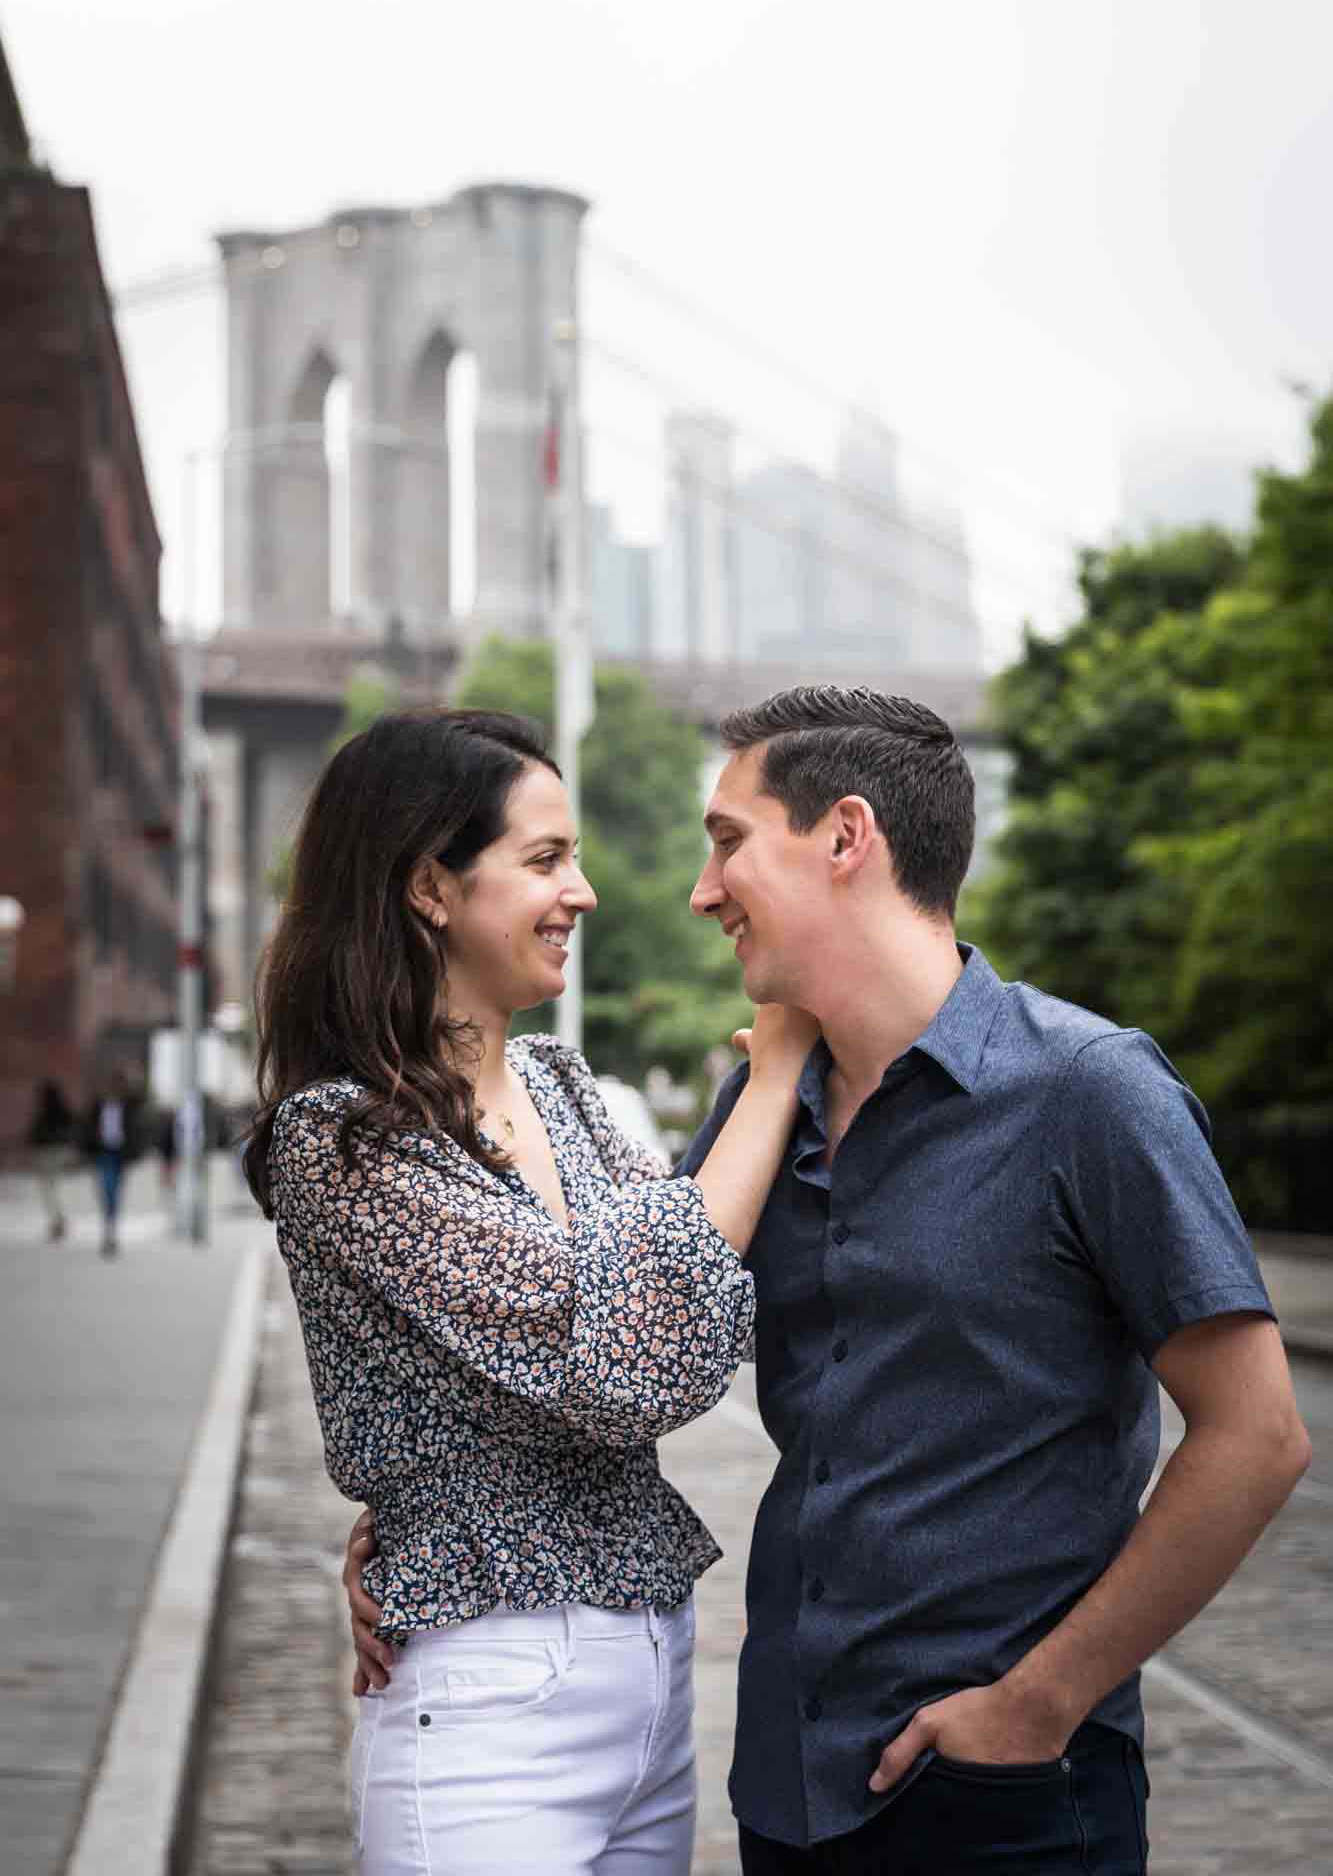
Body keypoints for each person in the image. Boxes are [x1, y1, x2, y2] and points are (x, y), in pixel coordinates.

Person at [341, 685, 1311, 1876]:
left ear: (847, 837)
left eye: (728, 842)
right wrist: (420, 1517)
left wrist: (1039, 1700)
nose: (701, 891)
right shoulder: (760, 1120)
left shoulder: (1090, 1092)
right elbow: (616, 1333)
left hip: (1006, 1789)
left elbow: (1257, 1434)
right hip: (789, 1789)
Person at [243, 707, 816, 1876]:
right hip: (491, 1700)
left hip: (650, 1679)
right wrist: (777, 1068)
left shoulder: (559, 1082)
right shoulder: (344, 1139)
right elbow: (632, 1361)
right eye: (545, 859)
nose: (585, 891)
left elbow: (674, 1291)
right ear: (428, 888)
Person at [81, 1069, 143, 1257]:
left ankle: (111, 1230)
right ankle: (108, 1229)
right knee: (106, 1189)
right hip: (103, 1153)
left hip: (119, 1154)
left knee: (115, 1191)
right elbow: (87, 1128)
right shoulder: (98, 1106)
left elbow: (140, 1102)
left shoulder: (128, 1106)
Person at [26, 1077, 74, 1242]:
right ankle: (58, 1221)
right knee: (51, 1188)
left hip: (50, 1152)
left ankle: (58, 1222)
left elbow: (37, 1133)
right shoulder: (58, 1111)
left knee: (49, 1188)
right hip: (54, 1151)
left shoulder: (49, 1112)